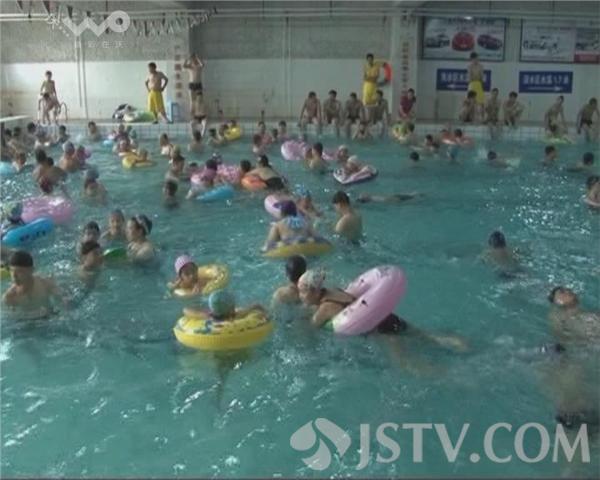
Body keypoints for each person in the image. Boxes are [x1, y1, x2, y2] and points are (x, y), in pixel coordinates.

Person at [3, 250, 65, 319]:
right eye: (11, 270)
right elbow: (12, 318)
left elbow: (63, 301)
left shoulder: (45, 284)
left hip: (51, 318)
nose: (14, 276)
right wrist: (34, 315)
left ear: (31, 270)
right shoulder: (10, 297)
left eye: (19, 271)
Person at [184, 289, 266, 322]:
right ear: (231, 309)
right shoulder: (236, 316)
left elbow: (185, 310)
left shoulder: (208, 317)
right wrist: (265, 313)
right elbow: (255, 306)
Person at [467, 52, 485, 120]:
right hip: (472, 84)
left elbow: (481, 77)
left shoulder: (481, 66)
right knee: (471, 103)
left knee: (481, 102)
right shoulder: (469, 66)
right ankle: (471, 118)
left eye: (477, 58)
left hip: (479, 84)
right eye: (475, 59)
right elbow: (470, 77)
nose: (476, 60)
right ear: (472, 59)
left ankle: (482, 118)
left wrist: (481, 85)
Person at [357, 192, 421, 204]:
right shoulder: (372, 200)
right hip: (393, 199)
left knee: (409, 196)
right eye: (364, 196)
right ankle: (417, 195)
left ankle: (416, 194)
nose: (365, 194)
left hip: (393, 198)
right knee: (410, 197)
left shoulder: (372, 199)